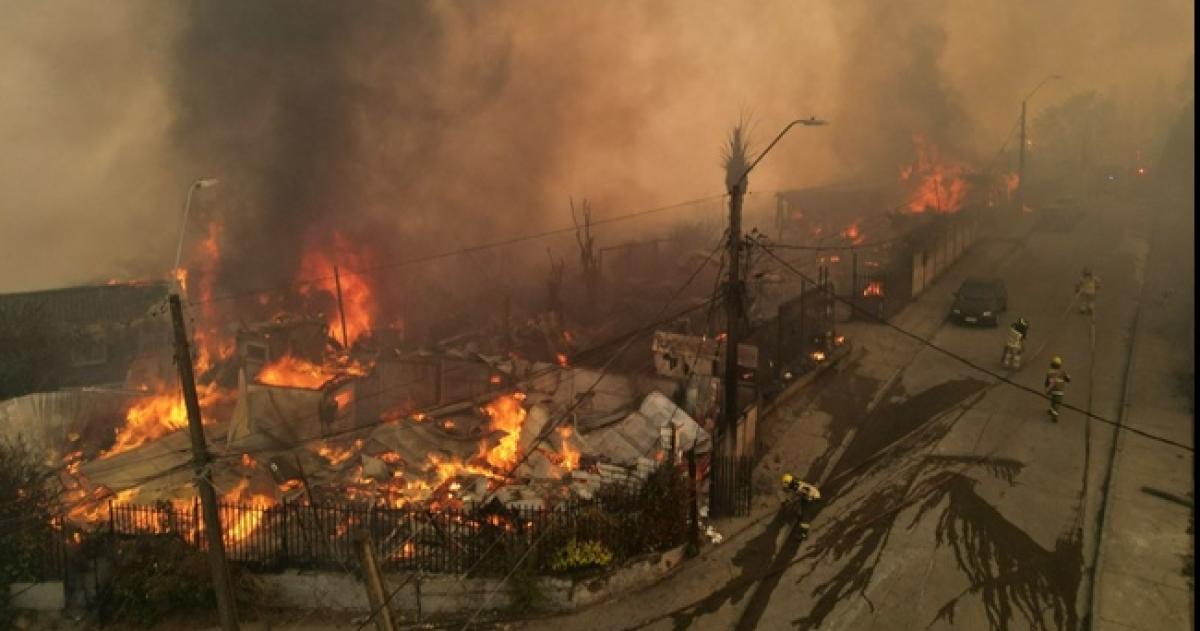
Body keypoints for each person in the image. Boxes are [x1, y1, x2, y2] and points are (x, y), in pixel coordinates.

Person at [780, 473, 821, 540]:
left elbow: (804, 493)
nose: (786, 487)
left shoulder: (800, 488)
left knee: (805, 516)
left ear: (789, 483)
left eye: (786, 485)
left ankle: (804, 534)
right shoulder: (797, 484)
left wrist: (789, 501)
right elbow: (794, 494)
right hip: (809, 497)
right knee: (801, 507)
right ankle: (801, 516)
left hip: (812, 499)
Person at [1044, 356, 1072, 421]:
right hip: (1060, 392)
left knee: (1053, 400)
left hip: (1052, 390)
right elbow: (1068, 379)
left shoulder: (1049, 372)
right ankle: (1055, 414)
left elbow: (1046, 382)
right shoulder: (1062, 372)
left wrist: (1047, 388)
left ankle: (1052, 410)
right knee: (1057, 403)